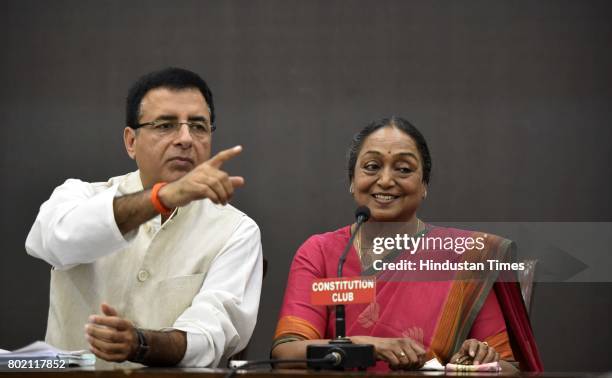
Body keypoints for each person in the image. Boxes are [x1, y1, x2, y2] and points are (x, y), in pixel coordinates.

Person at [26, 67, 263, 368]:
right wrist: (160, 198)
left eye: (199, 126)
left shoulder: (236, 230)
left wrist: (138, 344)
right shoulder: (79, 196)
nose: (186, 139)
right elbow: (50, 241)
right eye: (165, 125)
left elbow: (210, 334)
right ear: (130, 142)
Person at [271, 117, 542, 372]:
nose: (386, 180)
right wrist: (369, 346)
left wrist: (478, 358)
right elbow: (286, 353)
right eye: (372, 167)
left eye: (403, 169)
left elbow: (506, 367)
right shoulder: (321, 253)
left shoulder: (465, 256)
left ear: (424, 184)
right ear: (352, 181)